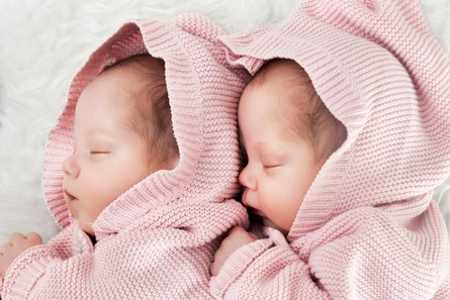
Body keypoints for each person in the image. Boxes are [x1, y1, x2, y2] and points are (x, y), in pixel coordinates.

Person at [209, 0, 450, 299]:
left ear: (344, 171)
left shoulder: (384, 249)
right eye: (246, 157)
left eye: (269, 162)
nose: (244, 176)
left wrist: (252, 271)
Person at [0, 16, 248, 299]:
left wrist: (29, 273)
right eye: (74, 149)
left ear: (179, 166)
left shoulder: (171, 242)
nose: (68, 166)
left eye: (97, 151)